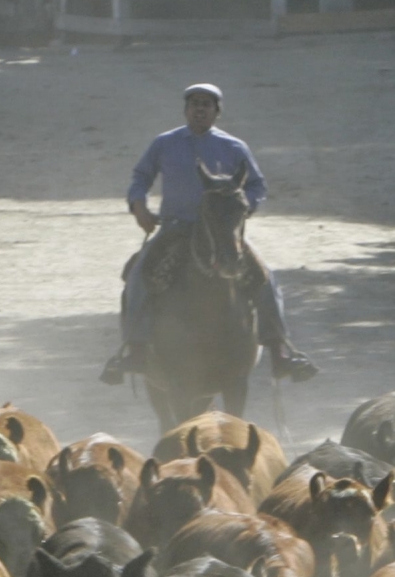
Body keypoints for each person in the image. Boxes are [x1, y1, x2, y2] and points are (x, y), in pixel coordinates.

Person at [102, 84, 317, 385]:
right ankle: (135, 349)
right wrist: (139, 206)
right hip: (176, 228)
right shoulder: (165, 143)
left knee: (266, 279)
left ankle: (281, 351)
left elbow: (256, 186)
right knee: (138, 275)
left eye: (206, 104)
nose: (199, 109)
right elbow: (141, 176)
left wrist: (242, 208)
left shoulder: (234, 147)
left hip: (222, 230)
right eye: (193, 104)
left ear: (217, 111)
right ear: (185, 109)